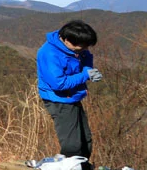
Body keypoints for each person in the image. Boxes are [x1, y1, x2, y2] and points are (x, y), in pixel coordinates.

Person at [36, 20, 101, 160]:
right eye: (79, 48)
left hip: (74, 96)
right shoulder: (49, 54)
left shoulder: (76, 47)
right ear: (66, 40)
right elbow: (59, 84)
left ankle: (81, 167)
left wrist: (89, 70)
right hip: (59, 100)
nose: (83, 50)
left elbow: (87, 58)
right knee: (72, 145)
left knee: (85, 141)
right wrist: (85, 75)